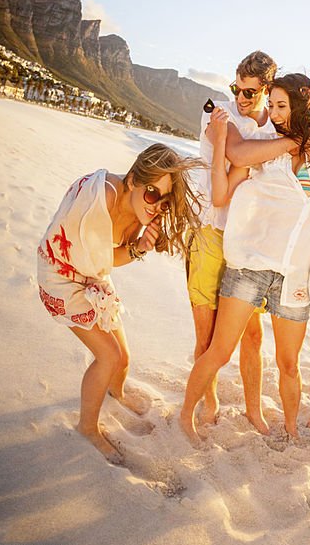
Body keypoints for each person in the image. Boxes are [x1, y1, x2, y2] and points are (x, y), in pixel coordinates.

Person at [179, 73, 310, 442]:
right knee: (220, 350)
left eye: (281, 105)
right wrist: (225, 141)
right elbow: (223, 192)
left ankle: (290, 430)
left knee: (288, 363)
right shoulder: (264, 143)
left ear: (301, 105)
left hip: (294, 275)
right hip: (250, 266)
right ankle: (186, 416)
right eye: (271, 105)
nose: (274, 112)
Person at [37, 144, 203, 461]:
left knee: (123, 357)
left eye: (165, 201)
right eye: (153, 193)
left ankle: (117, 392)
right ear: (132, 180)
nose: (156, 205)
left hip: (90, 271)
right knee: (108, 355)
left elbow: (107, 260)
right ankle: (87, 427)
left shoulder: (140, 207)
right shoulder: (100, 199)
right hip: (61, 272)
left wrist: (143, 242)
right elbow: (107, 259)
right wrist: (138, 249)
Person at [187, 50, 289, 433]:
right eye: (237, 88)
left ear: (266, 89)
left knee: (252, 332)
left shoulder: (275, 123)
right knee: (207, 332)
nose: (241, 98)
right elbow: (236, 152)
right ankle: (207, 401)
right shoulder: (218, 113)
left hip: (248, 239)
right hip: (211, 230)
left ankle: (253, 409)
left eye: (249, 92)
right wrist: (289, 142)